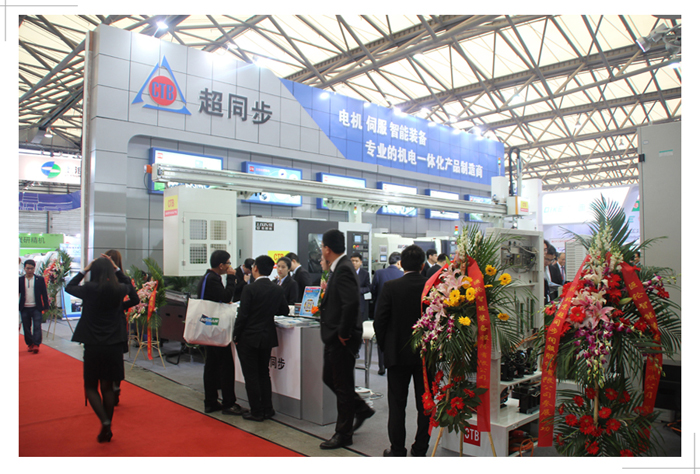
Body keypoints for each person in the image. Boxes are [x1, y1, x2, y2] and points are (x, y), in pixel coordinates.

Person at [66, 256, 138, 443]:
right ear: (111, 270)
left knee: (91, 386)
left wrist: (84, 270)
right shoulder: (119, 288)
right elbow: (134, 295)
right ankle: (107, 427)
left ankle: (105, 421)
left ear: (94, 271)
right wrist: (117, 270)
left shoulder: (89, 289)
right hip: (114, 344)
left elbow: (69, 287)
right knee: (108, 387)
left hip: (93, 344)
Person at [318, 229, 374, 450]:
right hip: (334, 335)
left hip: (341, 337)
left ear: (327, 248)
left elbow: (351, 304)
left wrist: (343, 333)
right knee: (330, 377)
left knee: (342, 385)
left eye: (322, 246)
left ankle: (343, 433)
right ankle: (360, 408)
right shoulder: (338, 267)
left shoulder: (343, 268)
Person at [374, 245, 431, 457]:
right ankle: (420, 448)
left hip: (397, 355)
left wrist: (386, 348)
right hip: (425, 356)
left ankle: (397, 449)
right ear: (423, 265)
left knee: (397, 405)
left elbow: (380, 321)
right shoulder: (431, 287)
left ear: (401, 265)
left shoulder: (390, 287)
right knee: (425, 404)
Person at [233, 255, 289, 422]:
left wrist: (236, 335)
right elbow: (284, 310)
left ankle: (256, 411)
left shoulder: (249, 289)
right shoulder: (277, 289)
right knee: (264, 373)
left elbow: (243, 315)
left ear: (255, 268)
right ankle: (267, 408)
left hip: (249, 337)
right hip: (266, 336)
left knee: (251, 376)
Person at [197, 250, 244, 415]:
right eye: (228, 263)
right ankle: (228, 403)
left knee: (211, 365)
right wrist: (231, 279)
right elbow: (226, 296)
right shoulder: (213, 279)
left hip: (208, 326)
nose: (230, 266)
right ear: (221, 265)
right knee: (226, 365)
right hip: (216, 329)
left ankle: (210, 401)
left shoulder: (206, 278)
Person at [104, 249, 131, 405]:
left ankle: (107, 387)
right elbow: (134, 298)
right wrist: (121, 307)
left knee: (104, 359)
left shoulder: (101, 280)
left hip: (103, 323)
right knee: (117, 359)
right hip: (118, 323)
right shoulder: (122, 280)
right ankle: (116, 386)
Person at [370, 252, 404, 375]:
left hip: (381, 310)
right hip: (397, 312)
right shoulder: (402, 275)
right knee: (396, 338)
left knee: (381, 336)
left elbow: (373, 290)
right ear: (399, 262)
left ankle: (381, 366)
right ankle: (394, 363)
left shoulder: (379, 273)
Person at [19, 259, 49, 353]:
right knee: (26, 327)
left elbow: (44, 293)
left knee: (37, 326)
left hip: (36, 307)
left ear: (34, 268)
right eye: (28, 268)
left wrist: (46, 306)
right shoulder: (20, 280)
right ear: (24, 268)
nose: (30, 270)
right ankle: (30, 344)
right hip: (24, 307)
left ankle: (36, 344)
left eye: (31, 268)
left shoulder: (39, 279)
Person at [350, 252, 371, 322]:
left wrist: (358, 290)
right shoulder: (346, 273)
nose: (354, 263)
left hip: (360, 303)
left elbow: (368, 287)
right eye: (352, 261)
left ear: (361, 262)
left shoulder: (365, 274)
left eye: (356, 261)